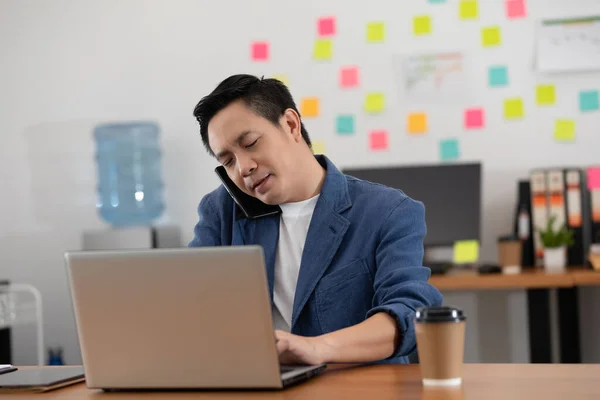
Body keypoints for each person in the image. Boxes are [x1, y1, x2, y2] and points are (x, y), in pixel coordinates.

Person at [189, 74, 443, 365]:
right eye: (228, 161)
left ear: (291, 125)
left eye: (250, 143)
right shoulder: (221, 211)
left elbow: (410, 313)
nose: (244, 168)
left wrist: (316, 348)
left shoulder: (387, 211)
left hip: (358, 387)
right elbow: (190, 303)